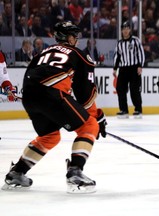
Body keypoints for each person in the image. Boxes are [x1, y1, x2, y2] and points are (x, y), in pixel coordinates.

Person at [2, 21, 107, 193]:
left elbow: (29, 76)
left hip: (29, 96)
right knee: (89, 126)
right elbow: (85, 95)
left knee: (50, 136)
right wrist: (97, 116)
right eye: (74, 36)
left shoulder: (42, 53)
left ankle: (17, 172)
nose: (77, 40)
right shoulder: (79, 55)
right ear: (68, 37)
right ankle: (75, 173)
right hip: (51, 94)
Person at [113, 21, 145, 119]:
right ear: (122, 31)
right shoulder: (120, 43)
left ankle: (138, 110)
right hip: (123, 68)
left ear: (130, 30)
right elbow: (117, 56)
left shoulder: (136, 41)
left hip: (134, 68)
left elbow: (141, 53)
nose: (126, 31)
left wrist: (140, 66)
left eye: (127, 28)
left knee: (134, 90)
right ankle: (124, 110)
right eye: (124, 29)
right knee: (120, 89)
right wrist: (115, 68)